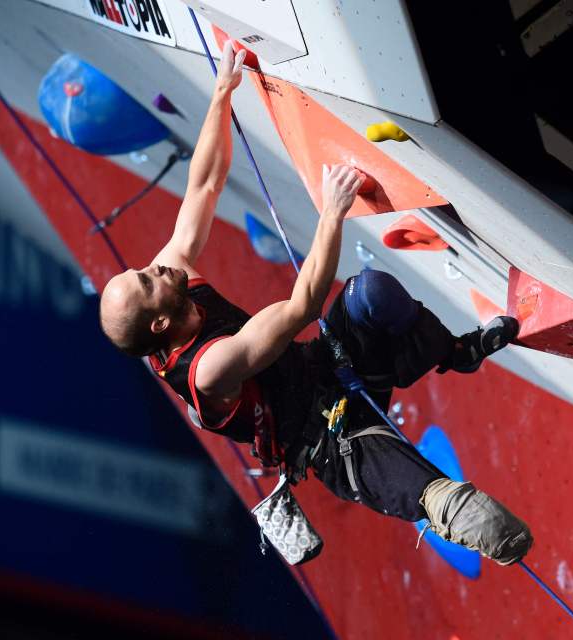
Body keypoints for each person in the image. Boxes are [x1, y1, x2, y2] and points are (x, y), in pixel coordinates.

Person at [99, 41, 532, 565]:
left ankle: (454, 353)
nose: (157, 265)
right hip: (329, 441)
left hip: (327, 366)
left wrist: (222, 94)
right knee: (462, 510)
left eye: (143, 271)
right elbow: (302, 305)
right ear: (161, 320)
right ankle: (458, 516)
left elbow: (204, 186)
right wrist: (332, 214)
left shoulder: (173, 283)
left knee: (371, 292)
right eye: (148, 280)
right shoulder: (209, 370)